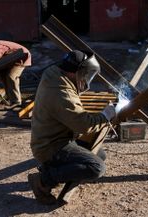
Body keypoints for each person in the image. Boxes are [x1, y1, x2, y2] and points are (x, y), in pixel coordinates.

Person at [28, 50, 116, 205]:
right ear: (77, 71)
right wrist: (105, 116)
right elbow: (84, 125)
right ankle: (43, 180)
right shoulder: (61, 92)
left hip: (59, 138)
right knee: (96, 167)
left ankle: (52, 169)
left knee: (99, 153)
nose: (87, 79)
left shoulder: (55, 73)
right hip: (50, 146)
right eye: (87, 74)